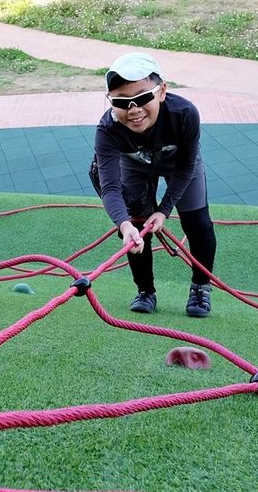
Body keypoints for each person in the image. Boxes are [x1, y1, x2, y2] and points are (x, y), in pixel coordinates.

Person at [91, 52, 217, 317]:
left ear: (162, 91)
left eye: (143, 97)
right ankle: (145, 290)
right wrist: (123, 225)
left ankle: (201, 287)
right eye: (121, 102)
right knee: (136, 227)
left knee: (198, 224)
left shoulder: (184, 113)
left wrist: (164, 210)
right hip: (134, 165)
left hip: (179, 164)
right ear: (109, 101)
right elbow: (110, 187)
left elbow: (186, 167)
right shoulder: (107, 129)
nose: (134, 109)